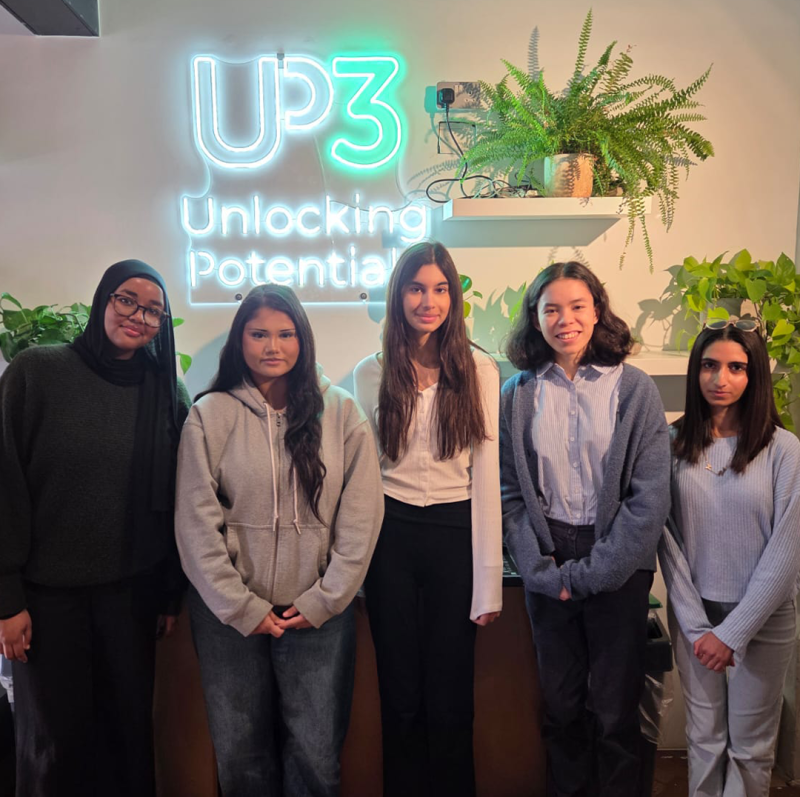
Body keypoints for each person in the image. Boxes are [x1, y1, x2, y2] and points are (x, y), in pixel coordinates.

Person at [175, 284, 383, 797]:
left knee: (315, 755)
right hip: (230, 620)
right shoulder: (209, 415)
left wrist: (325, 599)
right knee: (241, 755)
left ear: (302, 339)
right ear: (239, 341)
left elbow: (360, 518)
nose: (273, 346)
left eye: (286, 334)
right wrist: (237, 605)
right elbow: (195, 522)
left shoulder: (340, 412)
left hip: (315, 615)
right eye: (259, 333)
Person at [0, 259, 189, 797]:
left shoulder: (163, 391)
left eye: (153, 310)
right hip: (45, 599)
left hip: (131, 595)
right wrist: (6, 598)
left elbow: (179, 499)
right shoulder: (37, 372)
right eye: (126, 300)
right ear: (103, 300)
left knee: (127, 734)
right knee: (55, 742)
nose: (138, 316)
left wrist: (169, 594)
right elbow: (4, 484)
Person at [499, 261, 671, 797]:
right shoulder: (518, 393)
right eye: (551, 308)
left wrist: (593, 573)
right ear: (535, 317)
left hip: (617, 560)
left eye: (577, 306)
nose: (564, 319)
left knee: (616, 708)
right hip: (549, 558)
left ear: (598, 310)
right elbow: (509, 493)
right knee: (561, 703)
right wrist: (540, 570)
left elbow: (649, 500)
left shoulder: (635, 388)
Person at [353, 240, 502, 797]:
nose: (429, 300)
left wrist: (488, 584)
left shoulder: (479, 368)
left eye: (440, 289)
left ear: (453, 296)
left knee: (450, 696)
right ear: (399, 295)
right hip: (389, 538)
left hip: (453, 535)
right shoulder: (370, 373)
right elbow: (362, 478)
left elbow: (486, 472)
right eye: (417, 288)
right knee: (401, 695)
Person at [660, 320, 800, 797]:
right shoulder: (671, 443)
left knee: (751, 748)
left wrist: (733, 633)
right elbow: (668, 542)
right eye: (709, 365)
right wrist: (700, 628)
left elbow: (786, 551)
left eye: (736, 367)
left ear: (754, 374)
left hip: (763, 622)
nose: (721, 379)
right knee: (704, 739)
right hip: (696, 617)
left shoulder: (784, 451)